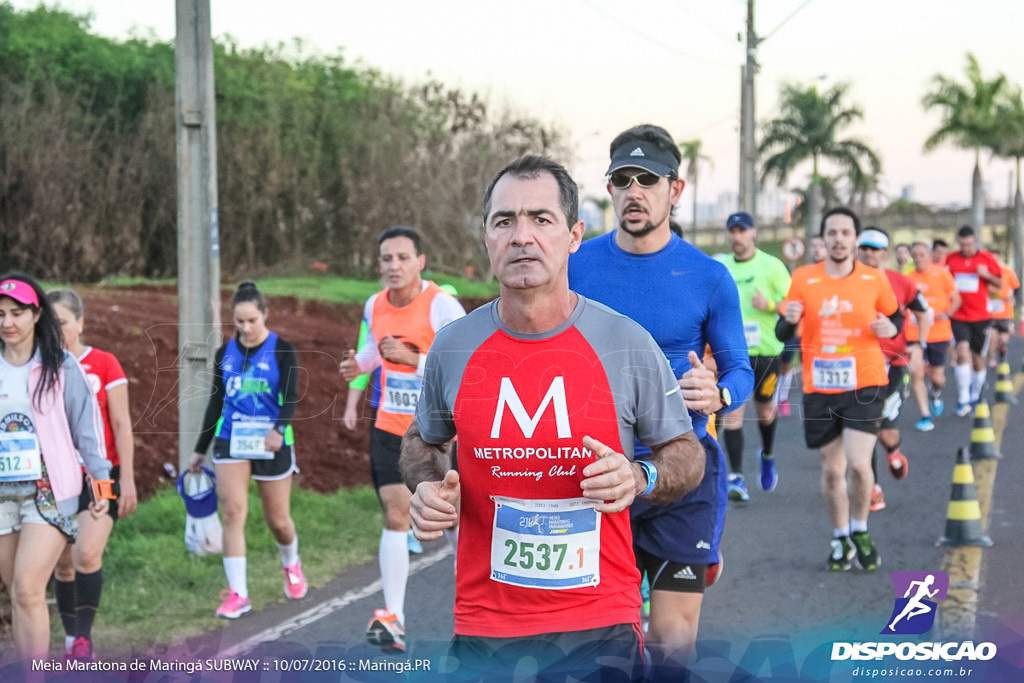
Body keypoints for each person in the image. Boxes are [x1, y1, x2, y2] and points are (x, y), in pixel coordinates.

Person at [402, 155, 704, 680]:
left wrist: (640, 476)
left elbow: (686, 455)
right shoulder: (454, 347)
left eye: (541, 219)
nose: (522, 236)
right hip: (484, 624)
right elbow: (421, 440)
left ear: (573, 236)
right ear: (487, 237)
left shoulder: (624, 343)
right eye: (505, 221)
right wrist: (427, 486)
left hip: (599, 619)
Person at [568, 124, 752, 666]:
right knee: (605, 644)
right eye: (622, 180)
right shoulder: (574, 266)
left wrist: (716, 392)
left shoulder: (708, 276)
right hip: (595, 475)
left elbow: (740, 368)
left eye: (647, 180)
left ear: (675, 189)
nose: (634, 192)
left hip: (681, 471)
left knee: (672, 645)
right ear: (609, 189)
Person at [339, 226, 465, 653]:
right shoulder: (374, 304)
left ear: (420, 262)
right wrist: (358, 365)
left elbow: (467, 360)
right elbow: (377, 350)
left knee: (452, 522)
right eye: (386, 259)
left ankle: (473, 615)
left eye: (402, 258)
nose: (394, 266)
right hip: (392, 427)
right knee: (396, 513)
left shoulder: (442, 305)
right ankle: (393, 619)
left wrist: (412, 359)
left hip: (441, 435)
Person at [776, 208, 902, 572]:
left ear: (854, 239)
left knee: (860, 466)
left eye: (846, 232)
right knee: (833, 471)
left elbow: (895, 317)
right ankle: (840, 536)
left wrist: (889, 329)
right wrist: (788, 319)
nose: (838, 239)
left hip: (865, 382)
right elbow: (782, 334)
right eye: (832, 232)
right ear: (824, 238)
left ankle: (860, 529)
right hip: (820, 385)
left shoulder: (874, 280)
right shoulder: (803, 278)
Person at [0, 272, 112, 665]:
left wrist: (102, 483)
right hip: (1, 494)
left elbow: (88, 428)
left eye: (16, 313)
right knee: (16, 592)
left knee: (29, 588)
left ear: (35, 315)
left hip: (48, 492)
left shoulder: (60, 366)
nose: (7, 323)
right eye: (0, 314)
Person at [189, 281, 305, 619]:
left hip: (272, 440)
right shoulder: (225, 353)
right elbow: (215, 402)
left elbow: (292, 395)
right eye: (239, 322)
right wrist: (200, 449)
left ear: (265, 314)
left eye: (252, 320)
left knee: (278, 520)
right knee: (233, 513)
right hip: (231, 438)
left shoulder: (282, 350)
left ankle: (291, 565)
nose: (246, 328)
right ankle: (238, 593)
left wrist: (278, 429)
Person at [47, 290, 137, 662]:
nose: (56, 331)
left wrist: (126, 479)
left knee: (86, 553)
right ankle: (71, 640)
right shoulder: (39, 367)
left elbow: (120, 423)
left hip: (101, 475)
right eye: (50, 324)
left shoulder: (103, 363)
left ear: (80, 324)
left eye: (63, 323)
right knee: (63, 563)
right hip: (56, 478)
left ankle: (84, 638)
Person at [854, 230, 929, 512]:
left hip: (894, 366)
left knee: (886, 433)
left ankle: (894, 451)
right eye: (864, 248)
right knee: (866, 427)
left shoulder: (901, 282)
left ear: (885, 253)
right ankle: (873, 488)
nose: (869, 253)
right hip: (860, 365)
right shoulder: (848, 282)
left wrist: (919, 346)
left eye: (875, 249)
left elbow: (922, 313)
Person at [720, 211, 791, 501]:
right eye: (733, 231)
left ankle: (768, 453)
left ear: (753, 233)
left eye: (742, 231)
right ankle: (736, 477)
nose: (737, 237)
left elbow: (794, 306)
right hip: (733, 353)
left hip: (766, 352)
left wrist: (771, 304)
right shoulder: (721, 266)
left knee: (764, 410)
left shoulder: (771, 266)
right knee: (732, 413)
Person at [945, 226, 1001, 416]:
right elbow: (944, 284)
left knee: (978, 359)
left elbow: (1001, 283)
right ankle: (963, 398)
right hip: (959, 315)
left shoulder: (986, 259)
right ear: (958, 242)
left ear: (975, 241)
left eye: (969, 244)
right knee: (962, 351)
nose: (966, 248)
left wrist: (987, 275)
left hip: (981, 317)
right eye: (962, 244)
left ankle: (976, 394)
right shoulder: (951, 259)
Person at [905, 241, 960, 431]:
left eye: (922, 254)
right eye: (915, 255)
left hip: (938, 333)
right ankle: (925, 415)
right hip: (914, 334)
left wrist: (948, 313)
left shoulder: (942, 274)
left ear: (929, 255)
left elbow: (957, 299)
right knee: (916, 373)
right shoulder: (907, 277)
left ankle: (935, 394)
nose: (918, 258)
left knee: (937, 378)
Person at [776, 235, 827, 416]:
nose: (817, 249)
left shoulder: (838, 278)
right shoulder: (802, 275)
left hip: (822, 336)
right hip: (797, 331)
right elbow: (785, 306)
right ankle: (781, 397)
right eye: (813, 246)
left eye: (821, 245)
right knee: (786, 363)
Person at [986, 255, 1020, 367]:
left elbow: (1016, 287)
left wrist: (1012, 297)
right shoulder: (986, 272)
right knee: (991, 338)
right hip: (990, 313)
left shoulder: (1008, 271)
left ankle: (1001, 351)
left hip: (1005, 312)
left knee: (1003, 339)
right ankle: (992, 360)